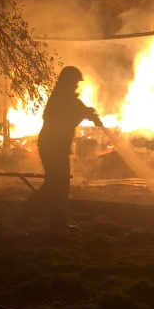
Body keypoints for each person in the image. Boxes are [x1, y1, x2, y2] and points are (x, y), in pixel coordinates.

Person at [36, 66, 102, 232]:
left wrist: (87, 113)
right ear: (68, 81)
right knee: (60, 183)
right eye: (74, 82)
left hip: (53, 146)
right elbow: (71, 114)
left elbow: (77, 110)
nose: (76, 86)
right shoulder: (62, 98)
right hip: (53, 147)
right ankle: (56, 223)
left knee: (54, 181)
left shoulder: (62, 97)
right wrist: (88, 114)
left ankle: (35, 209)